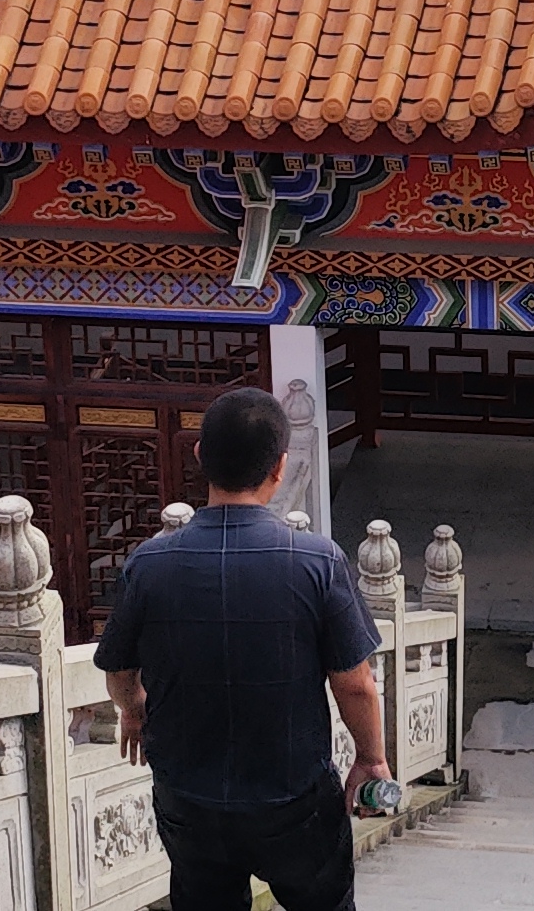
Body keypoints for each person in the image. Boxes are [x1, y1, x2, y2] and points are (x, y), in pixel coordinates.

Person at [96, 387, 391, 911]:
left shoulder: (150, 564)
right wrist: (371, 758)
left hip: (190, 798)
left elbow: (119, 666)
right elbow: (354, 683)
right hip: (293, 798)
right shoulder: (318, 562)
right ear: (280, 467)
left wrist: (134, 711)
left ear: (200, 456)